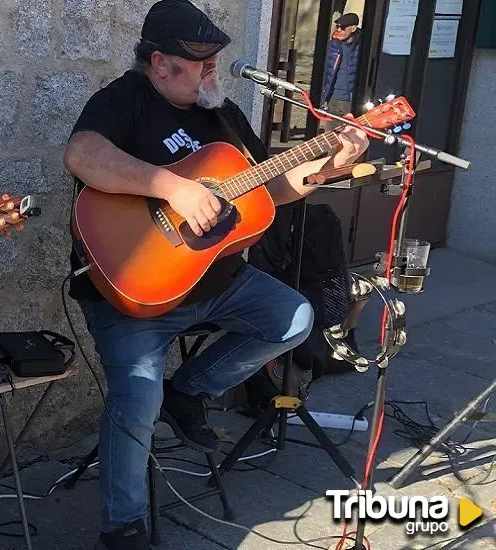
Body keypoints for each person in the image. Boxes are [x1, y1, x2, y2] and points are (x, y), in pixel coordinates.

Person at [62, 1, 369, 548]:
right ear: (159, 63)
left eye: (214, 63)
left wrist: (325, 168)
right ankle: (123, 526)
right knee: (136, 399)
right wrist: (172, 186)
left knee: (296, 318)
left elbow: (267, 187)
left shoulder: (221, 113)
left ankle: (191, 390)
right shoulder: (123, 101)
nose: (212, 74)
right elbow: (83, 155)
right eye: (200, 64)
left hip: (217, 283)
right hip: (134, 294)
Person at [321, 12, 362, 126]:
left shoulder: (361, 46)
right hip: (333, 99)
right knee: (331, 137)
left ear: (353, 28)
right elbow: (326, 71)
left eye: (343, 27)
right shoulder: (333, 44)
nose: (339, 30)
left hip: (351, 102)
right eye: (337, 26)